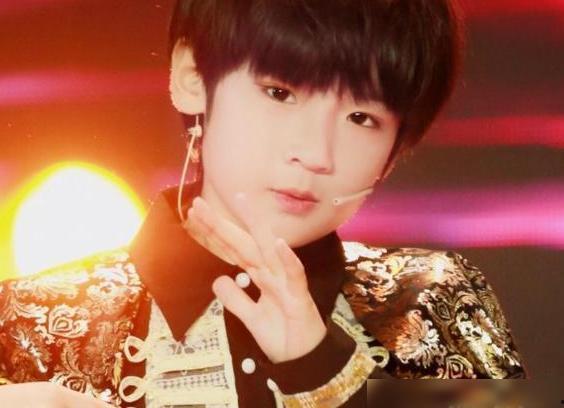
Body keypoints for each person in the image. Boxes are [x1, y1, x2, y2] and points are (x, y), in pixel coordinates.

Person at [0, 0, 526, 407]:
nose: (316, 154)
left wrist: (320, 370)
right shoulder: (33, 323)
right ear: (192, 77)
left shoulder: (429, 306)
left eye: (362, 118)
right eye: (280, 93)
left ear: (397, 149)